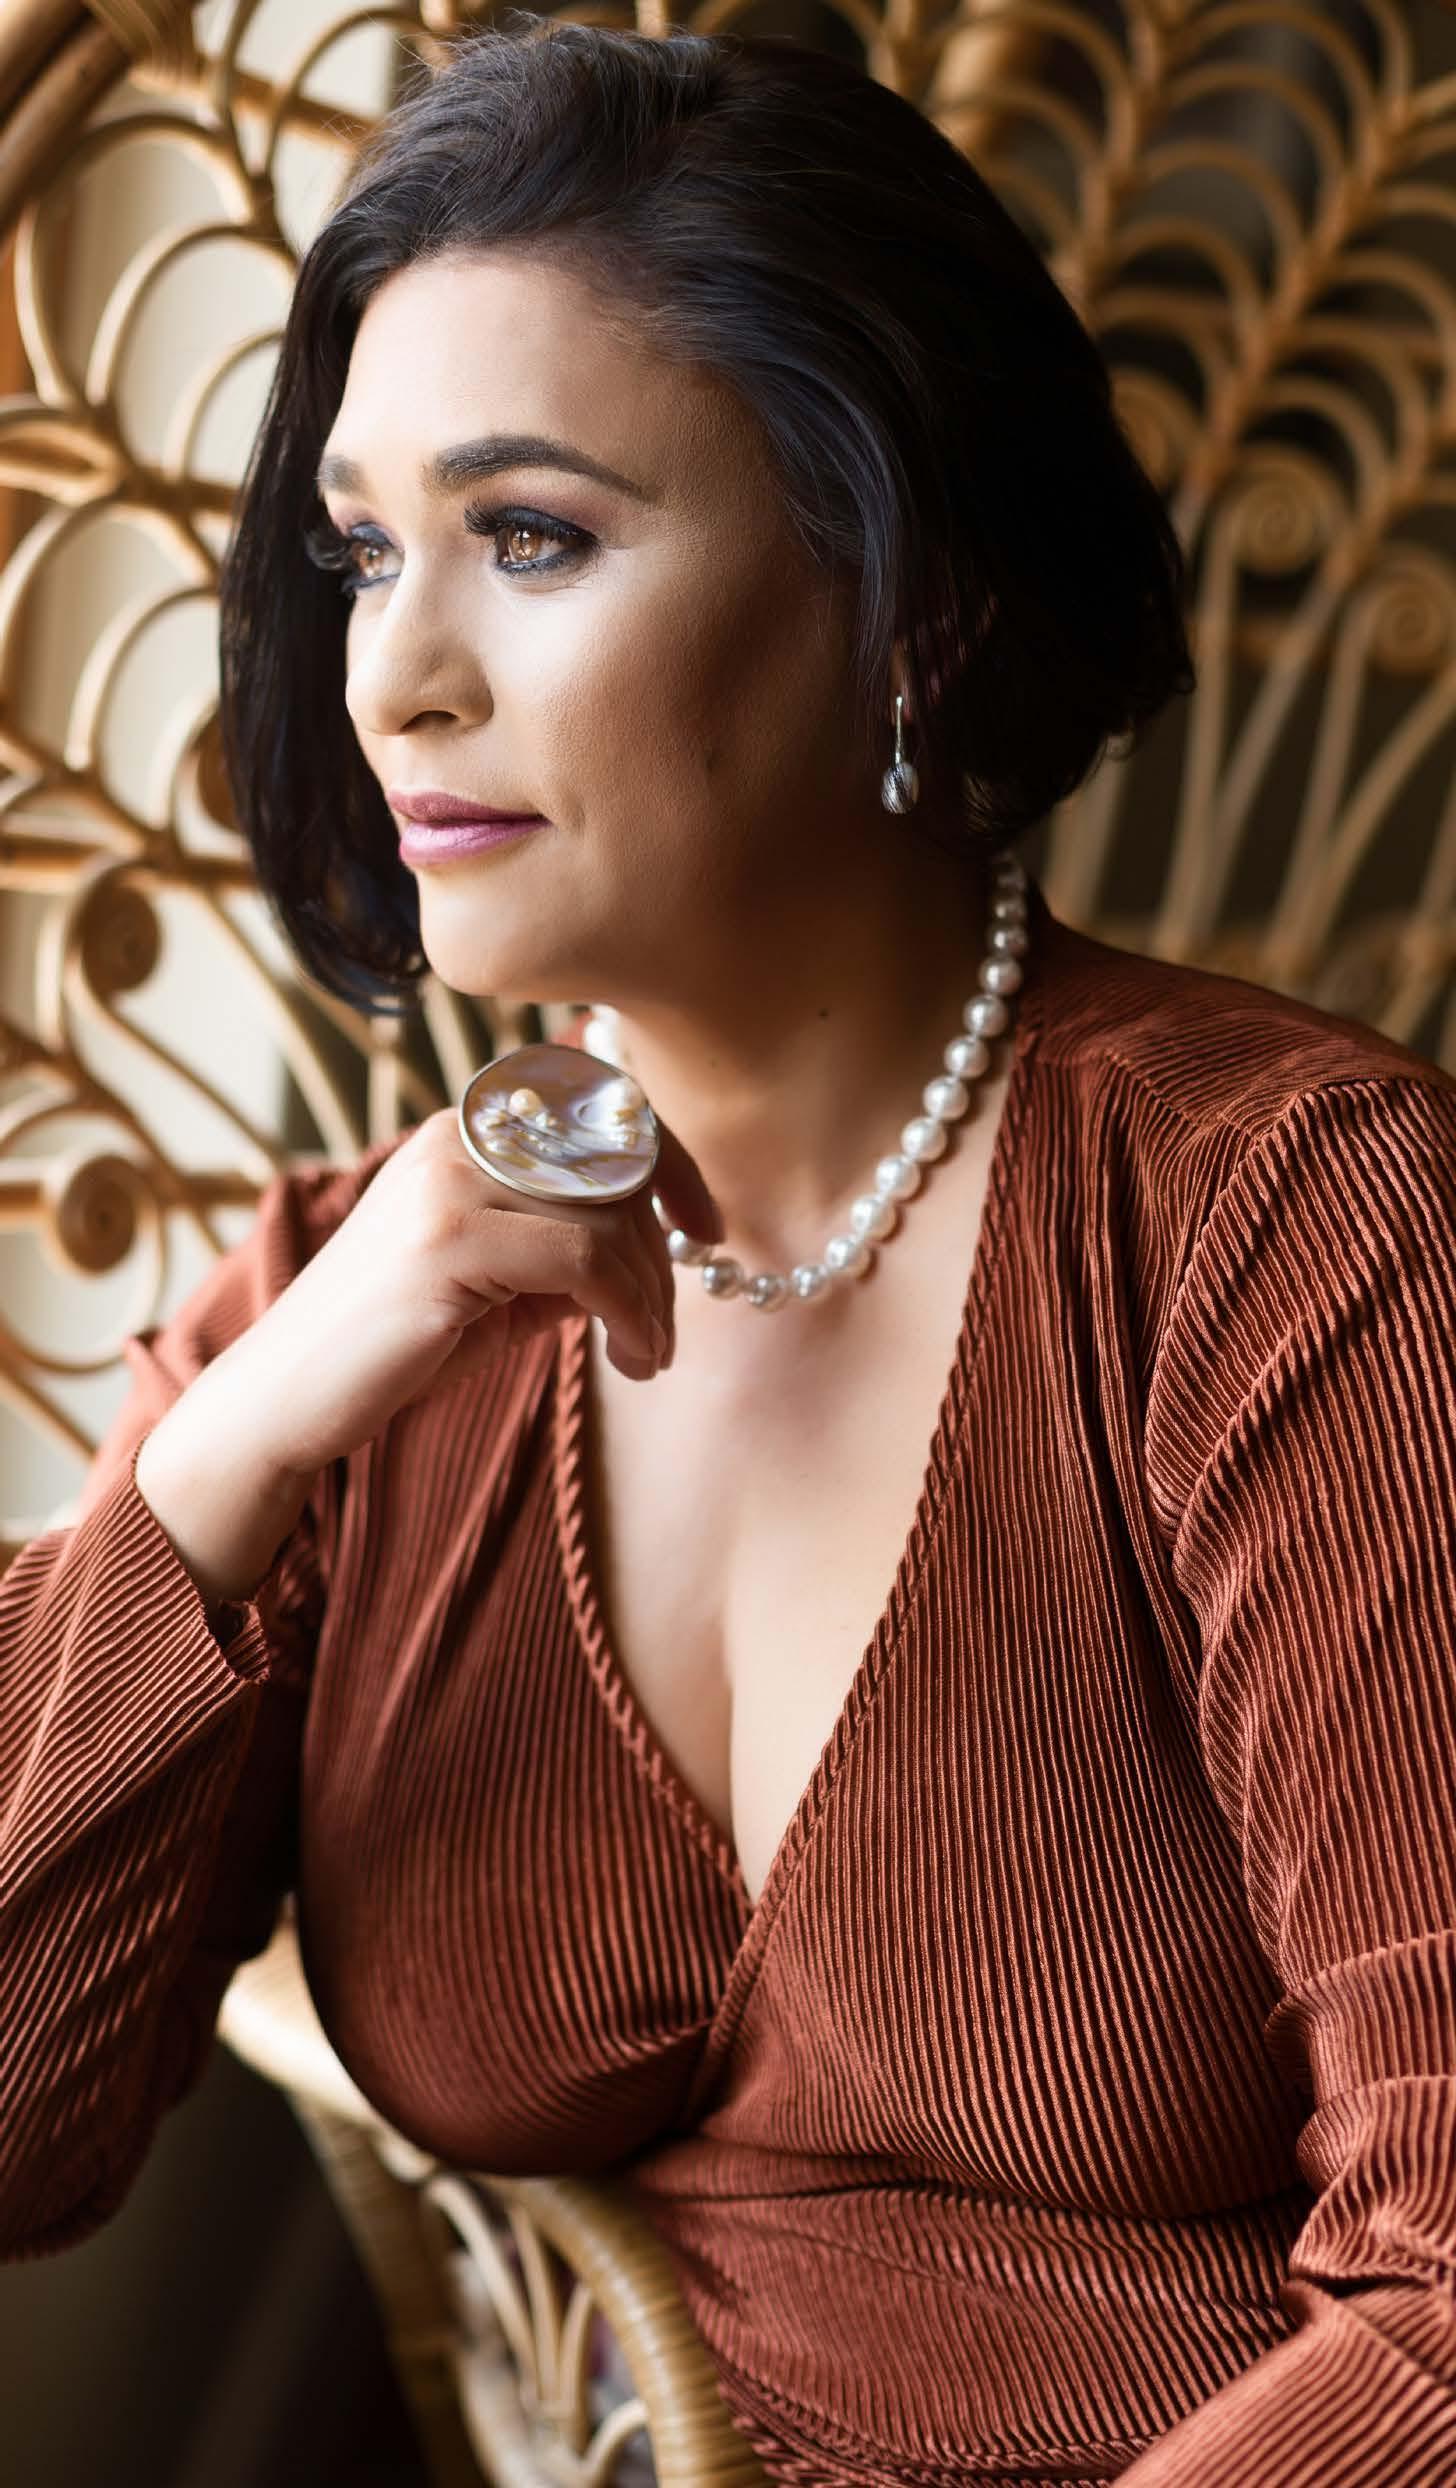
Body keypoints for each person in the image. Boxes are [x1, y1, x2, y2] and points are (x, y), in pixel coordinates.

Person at [2, 16, 1454, 2483]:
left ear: (909, 595)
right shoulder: (350, 1310)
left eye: (531, 536)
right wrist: (234, 1446)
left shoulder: (1296, 1233)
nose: (394, 674)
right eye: (360, 550)